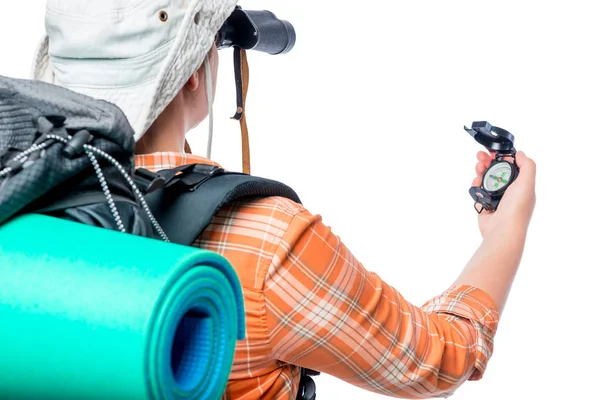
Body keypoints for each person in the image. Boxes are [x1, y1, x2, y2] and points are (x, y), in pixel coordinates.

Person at [31, 1, 536, 399]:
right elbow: (437, 361)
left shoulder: (23, 203)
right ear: (191, 72)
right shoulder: (267, 239)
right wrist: (507, 227)